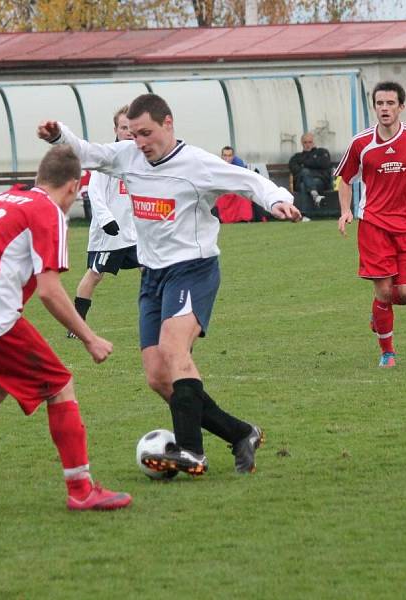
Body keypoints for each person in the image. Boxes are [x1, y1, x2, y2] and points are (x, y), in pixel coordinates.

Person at [37, 94, 302, 477]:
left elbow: (248, 182)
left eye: (146, 133)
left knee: (174, 349)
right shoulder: (128, 156)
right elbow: (87, 153)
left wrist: (278, 200)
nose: (139, 141)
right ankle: (241, 432)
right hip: (153, 276)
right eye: (133, 133)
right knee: (159, 377)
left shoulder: (196, 164)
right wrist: (58, 133)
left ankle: (192, 452)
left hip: (193, 269)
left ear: (168, 124)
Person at [0, 145, 132, 512]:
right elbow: (49, 290)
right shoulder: (47, 211)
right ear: (73, 187)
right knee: (61, 385)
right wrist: (90, 338)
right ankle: (81, 489)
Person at [336, 81, 406, 368]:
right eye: (380, 104)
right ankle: (388, 352)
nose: (384, 108)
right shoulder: (361, 143)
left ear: (401, 107)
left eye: (390, 103)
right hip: (374, 225)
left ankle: (378, 312)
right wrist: (345, 210)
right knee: (384, 291)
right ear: (374, 107)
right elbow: (345, 179)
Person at [67, 105, 140, 338]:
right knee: (95, 274)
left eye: (132, 127)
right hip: (109, 234)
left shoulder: (141, 156)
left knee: (151, 268)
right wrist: (107, 220)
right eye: (123, 127)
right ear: (116, 129)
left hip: (134, 231)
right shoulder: (107, 158)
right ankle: (75, 326)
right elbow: (96, 193)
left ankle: (159, 316)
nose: (128, 132)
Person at [288, 133, 332, 221]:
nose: (308, 144)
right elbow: (294, 168)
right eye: (305, 142)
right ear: (301, 143)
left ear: (314, 142)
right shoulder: (296, 157)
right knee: (304, 179)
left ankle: (305, 215)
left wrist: (304, 164)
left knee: (304, 181)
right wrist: (313, 164)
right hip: (303, 182)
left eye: (310, 142)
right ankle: (315, 195)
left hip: (320, 181)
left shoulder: (322, 152)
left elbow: (324, 164)